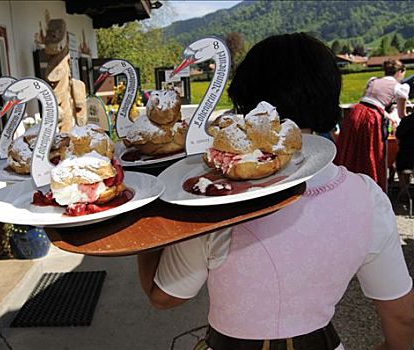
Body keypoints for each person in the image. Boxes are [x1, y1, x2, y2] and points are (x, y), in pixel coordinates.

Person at [137, 33, 414, 350]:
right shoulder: (368, 197)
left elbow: (164, 296)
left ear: (250, 102)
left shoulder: (217, 197)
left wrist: (145, 216)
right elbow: (402, 318)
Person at [334, 59, 410, 193]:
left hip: (355, 113)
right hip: (371, 119)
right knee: (371, 153)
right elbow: (402, 114)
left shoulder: (373, 80)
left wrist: (387, 115)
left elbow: (371, 103)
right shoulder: (400, 87)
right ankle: (370, 189)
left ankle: (346, 185)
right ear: (400, 71)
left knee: (350, 149)